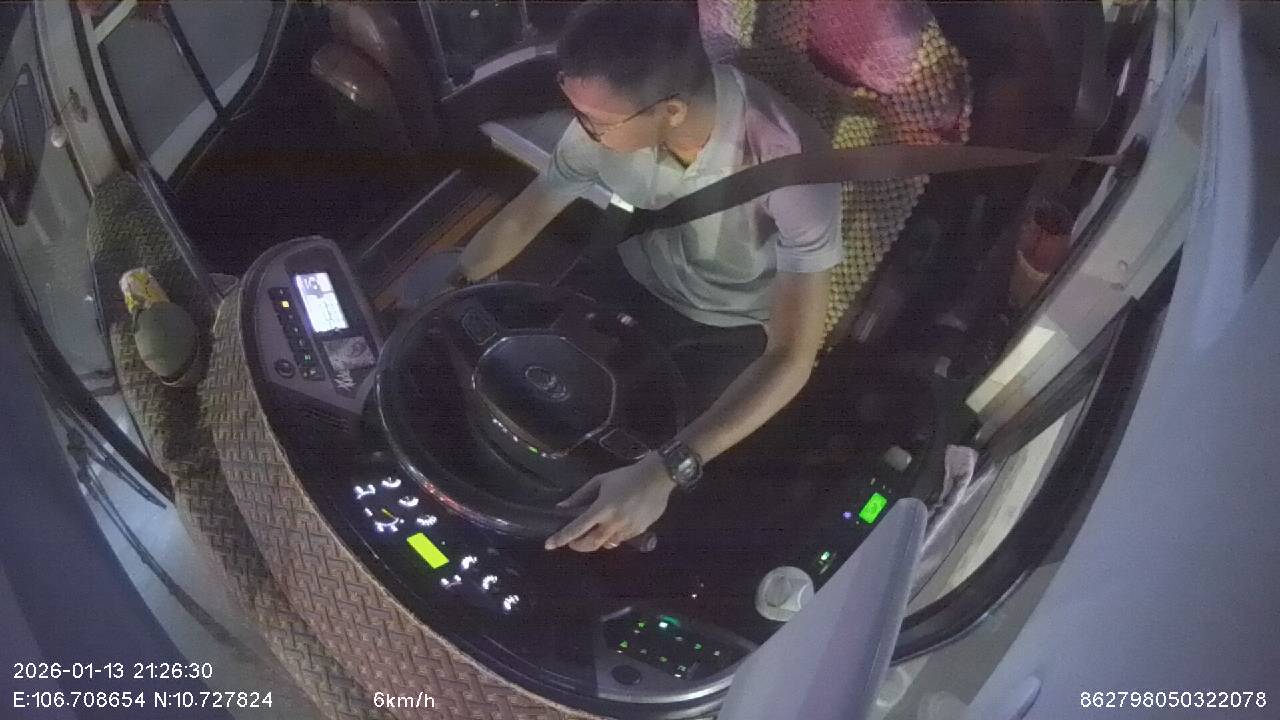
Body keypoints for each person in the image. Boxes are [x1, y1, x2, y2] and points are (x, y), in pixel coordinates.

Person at [454, 0, 842, 553]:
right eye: (576, 110)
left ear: (672, 112)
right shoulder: (602, 122)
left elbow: (792, 356)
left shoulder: (792, 167)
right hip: (631, 267)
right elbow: (526, 213)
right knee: (522, 394)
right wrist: (452, 287)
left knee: (630, 496)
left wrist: (665, 472)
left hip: (725, 324)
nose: (584, 130)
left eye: (598, 122)